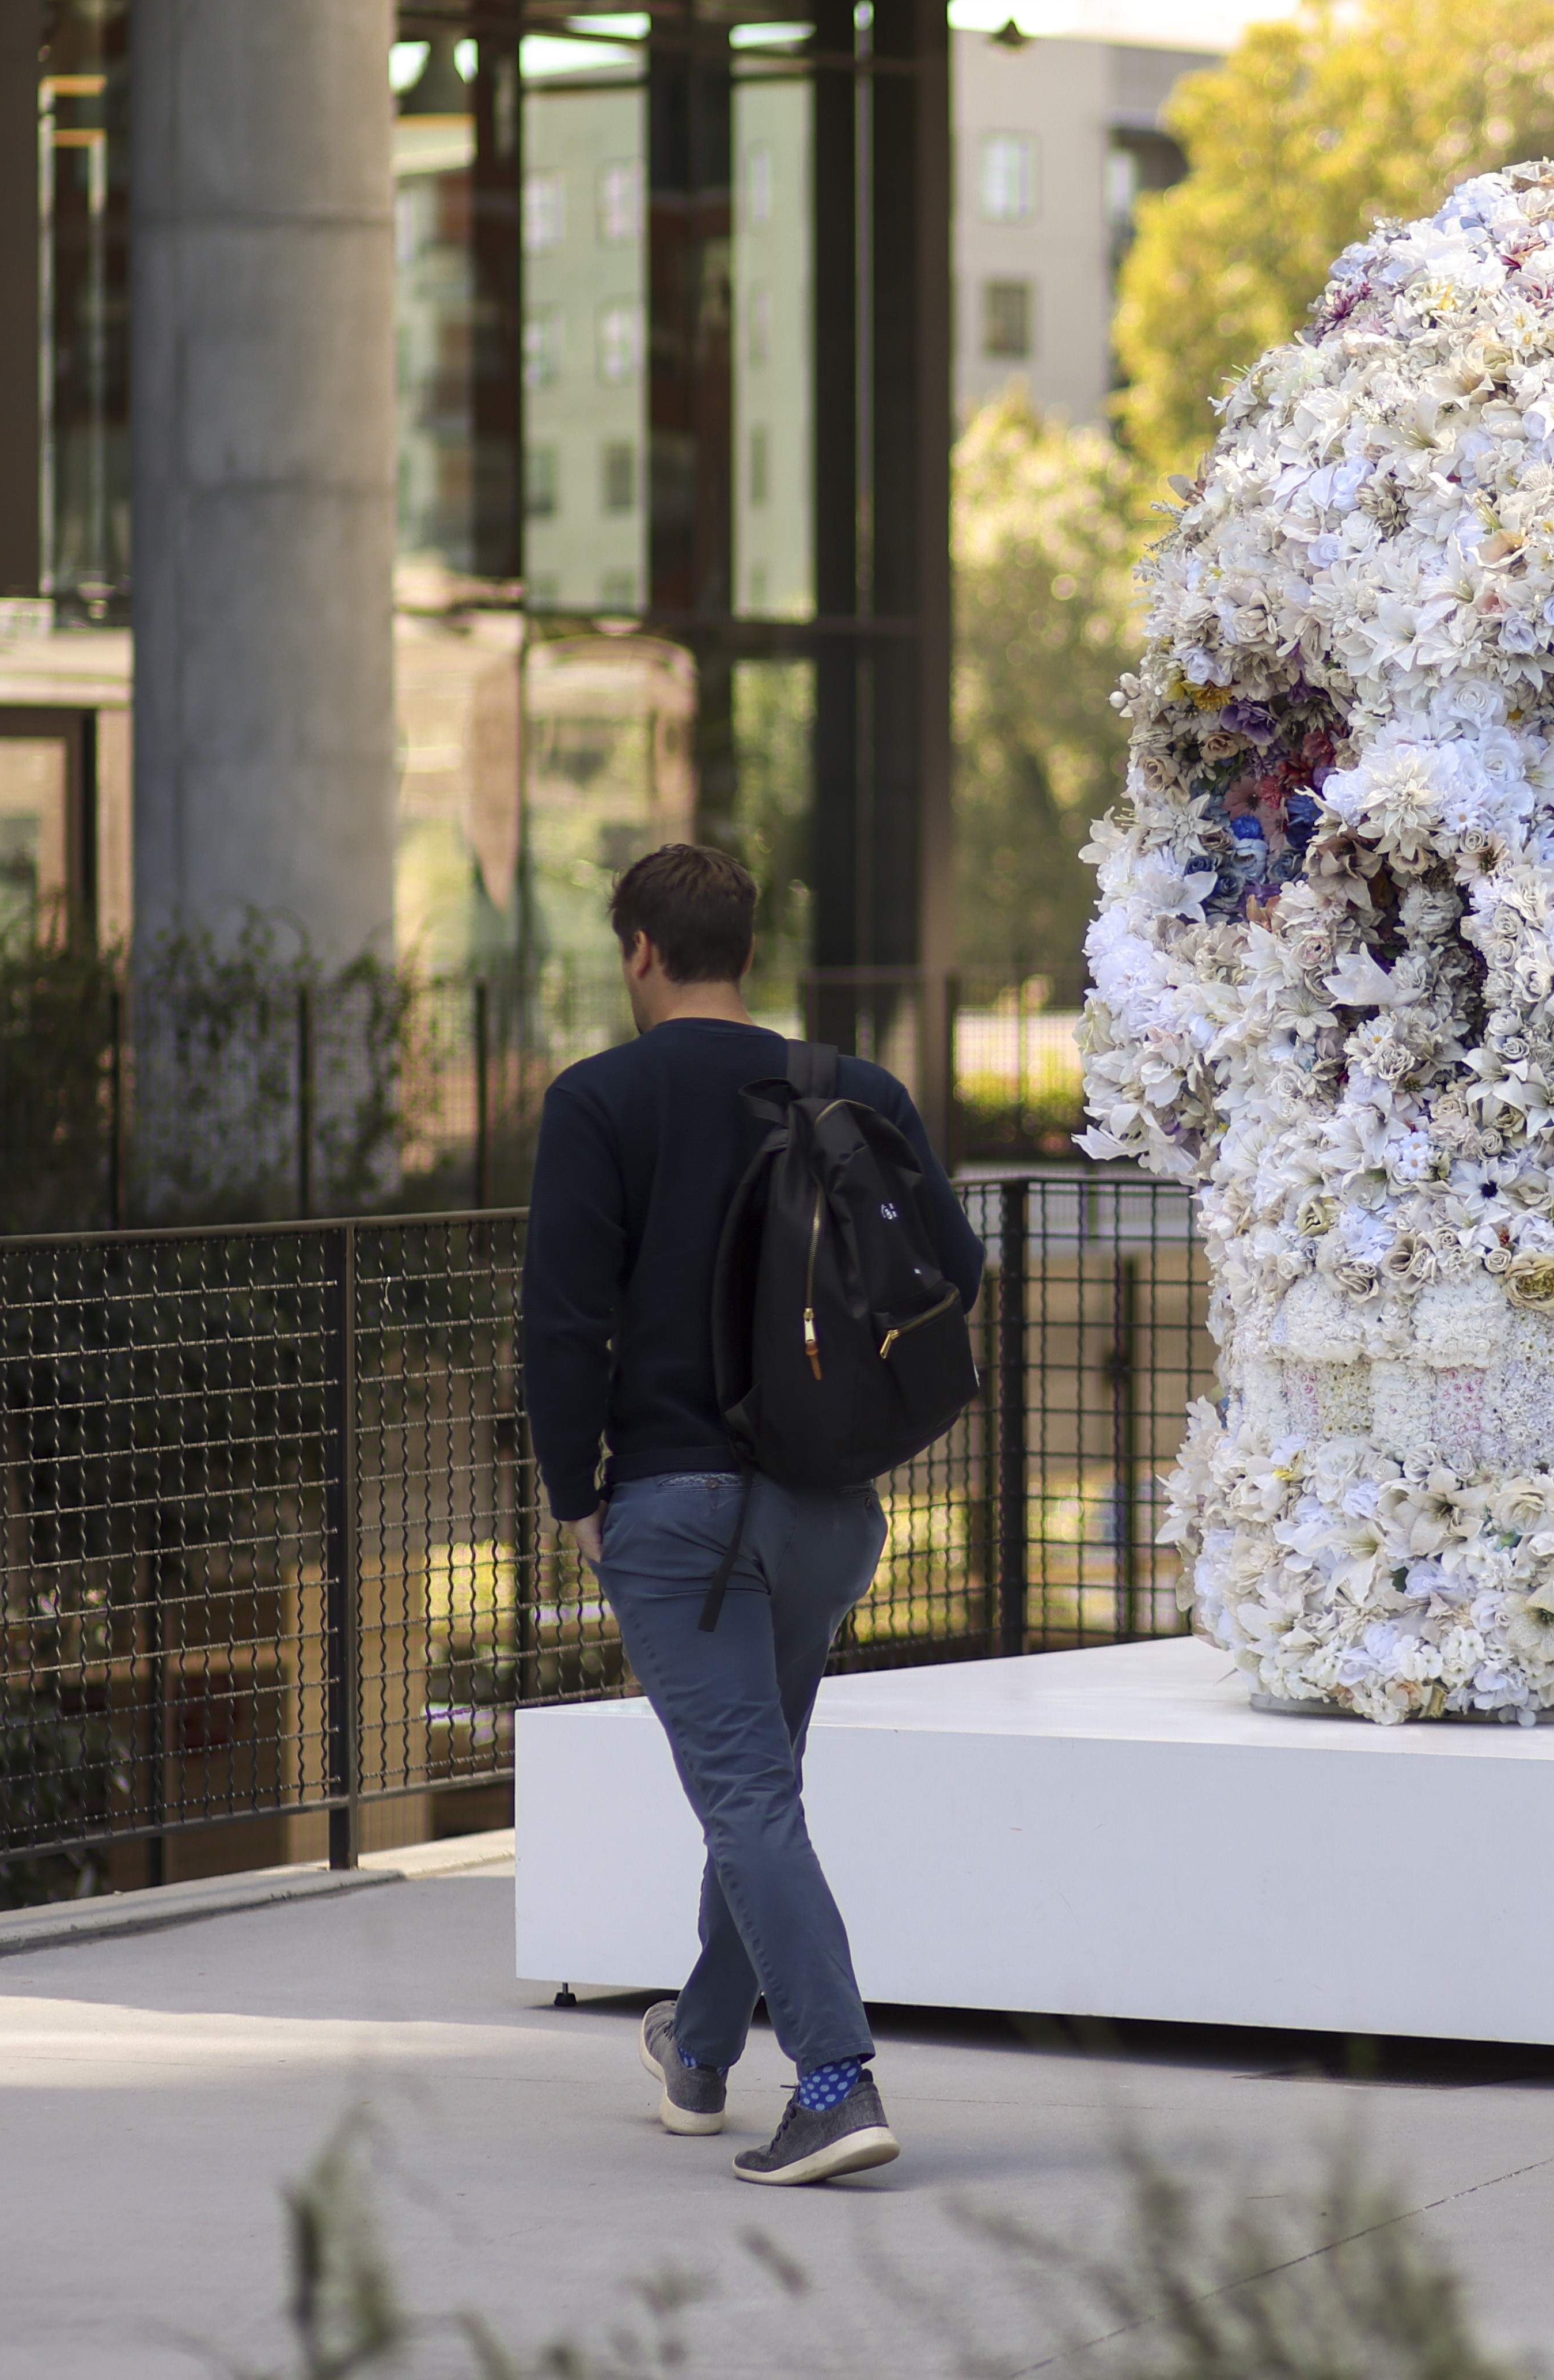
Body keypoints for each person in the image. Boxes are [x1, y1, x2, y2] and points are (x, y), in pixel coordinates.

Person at [521, 841, 981, 2185]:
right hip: (827, 1512)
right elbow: (951, 1265)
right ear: (744, 948)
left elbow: (564, 1322)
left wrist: (572, 1494)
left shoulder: (598, 1098)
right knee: (758, 1793)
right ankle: (702, 2048)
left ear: (642, 953)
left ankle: (835, 2082)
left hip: (677, 1517)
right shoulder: (851, 1088)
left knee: (748, 1801)